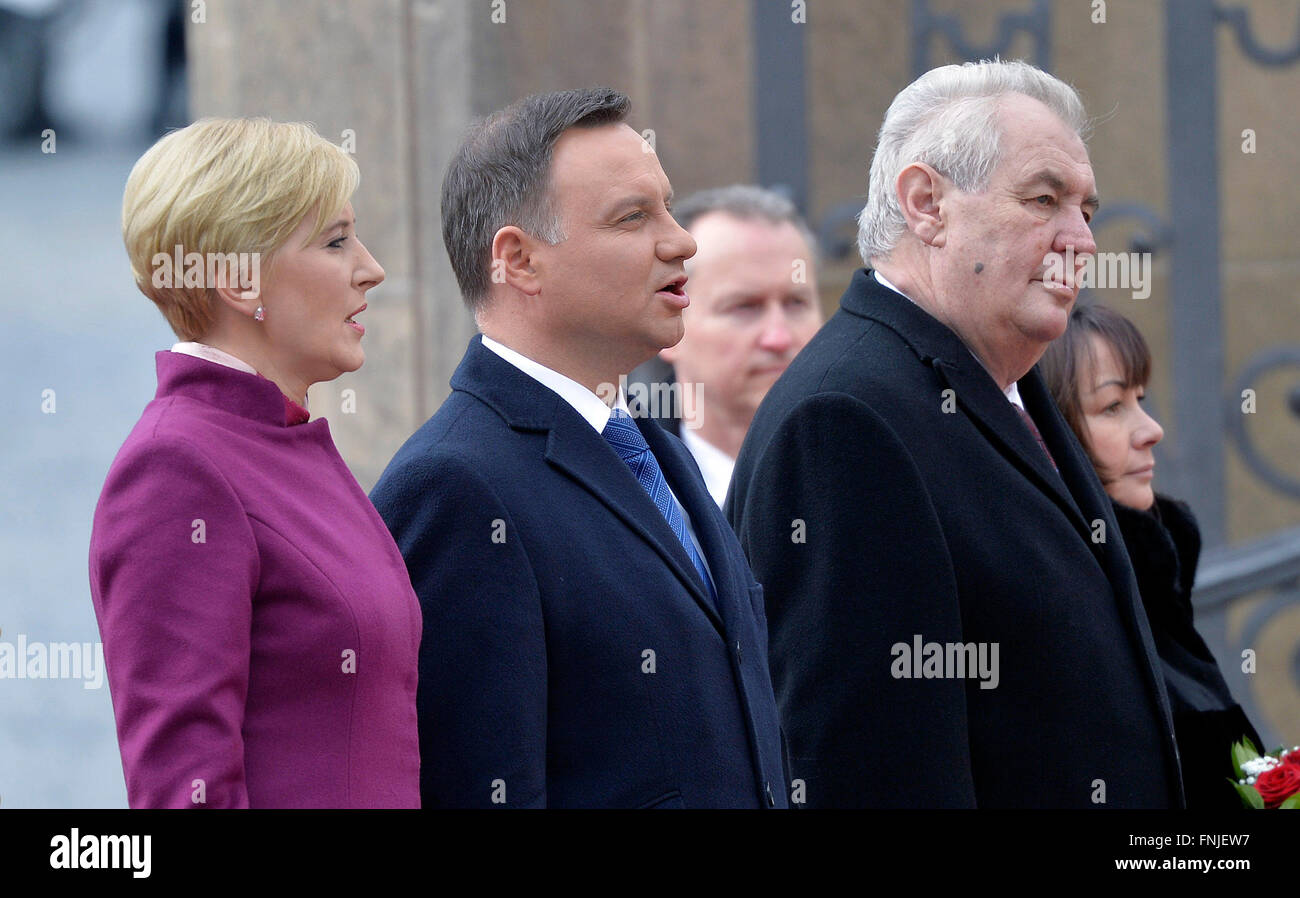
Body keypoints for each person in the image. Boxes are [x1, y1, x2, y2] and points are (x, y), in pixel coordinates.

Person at [728, 59, 1183, 807]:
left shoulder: (1011, 384)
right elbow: (865, 776)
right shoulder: (844, 421)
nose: (1083, 242)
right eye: (1045, 200)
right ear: (926, 203)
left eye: (1088, 211)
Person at [370, 88, 788, 808]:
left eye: (668, 205)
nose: (681, 240)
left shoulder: (650, 445)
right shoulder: (456, 487)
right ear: (520, 261)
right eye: (633, 217)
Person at [89, 118, 420, 808]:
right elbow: (187, 791)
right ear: (240, 282)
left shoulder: (270, 438)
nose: (372, 267)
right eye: (336, 241)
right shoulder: (176, 469)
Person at [1040, 302, 1263, 809]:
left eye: (1139, 399)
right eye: (1112, 407)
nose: (1151, 429)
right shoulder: (1068, 603)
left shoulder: (1157, 577)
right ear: (1051, 434)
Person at [654, 185, 824, 506]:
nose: (779, 337)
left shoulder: (869, 472)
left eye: (796, 304)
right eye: (744, 307)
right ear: (669, 323)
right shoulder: (624, 484)